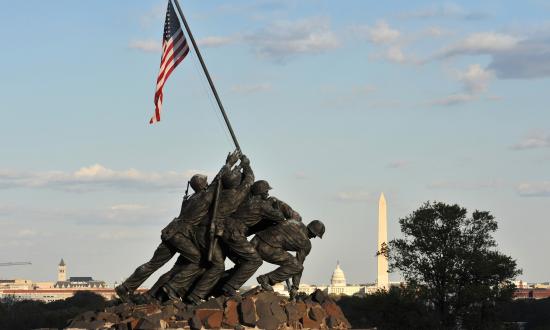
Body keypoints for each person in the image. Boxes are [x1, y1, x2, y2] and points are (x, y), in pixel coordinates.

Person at [114, 152, 240, 302]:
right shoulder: (204, 198)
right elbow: (217, 181)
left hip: (170, 231)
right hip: (181, 234)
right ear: (202, 185)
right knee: (198, 259)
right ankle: (172, 287)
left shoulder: (189, 199)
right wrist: (228, 163)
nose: (207, 184)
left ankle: (125, 287)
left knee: (152, 264)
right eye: (205, 182)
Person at [161, 154, 255, 304]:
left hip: (197, 232)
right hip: (207, 234)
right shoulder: (235, 195)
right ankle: (189, 292)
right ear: (236, 182)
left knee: (204, 263)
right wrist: (246, 165)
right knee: (217, 266)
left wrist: (230, 165)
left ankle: (186, 290)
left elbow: (217, 181)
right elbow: (250, 180)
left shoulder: (216, 192)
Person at [212, 180, 287, 297]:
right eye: (266, 191)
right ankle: (229, 287)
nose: (267, 193)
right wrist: (274, 204)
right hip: (235, 233)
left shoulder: (245, 201)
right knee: (255, 261)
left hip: (225, 231)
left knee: (243, 263)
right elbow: (280, 217)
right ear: (260, 192)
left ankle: (215, 286)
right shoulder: (262, 205)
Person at [252, 219, 325, 300]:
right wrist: (295, 287)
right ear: (313, 232)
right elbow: (298, 266)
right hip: (268, 248)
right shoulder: (306, 244)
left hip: (256, 240)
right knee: (297, 266)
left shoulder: (294, 221)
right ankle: (265, 279)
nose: (314, 237)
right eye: (315, 235)